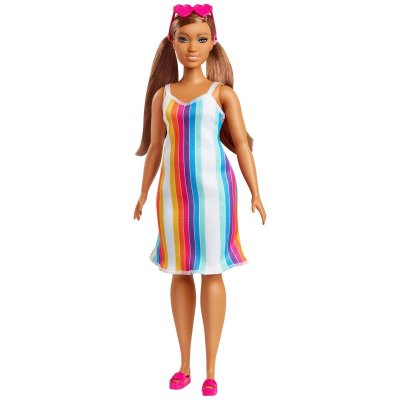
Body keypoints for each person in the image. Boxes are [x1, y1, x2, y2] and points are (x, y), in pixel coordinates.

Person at [133, 3, 266, 396]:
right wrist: (143, 191)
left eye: (201, 39)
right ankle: (184, 364)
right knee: (179, 271)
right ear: (172, 42)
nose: (192, 47)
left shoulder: (222, 95)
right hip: (173, 196)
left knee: (212, 272)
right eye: (184, 39)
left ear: (213, 43)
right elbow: (156, 148)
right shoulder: (163, 96)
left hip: (215, 195)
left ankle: (210, 369)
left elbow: (242, 146)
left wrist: (256, 192)